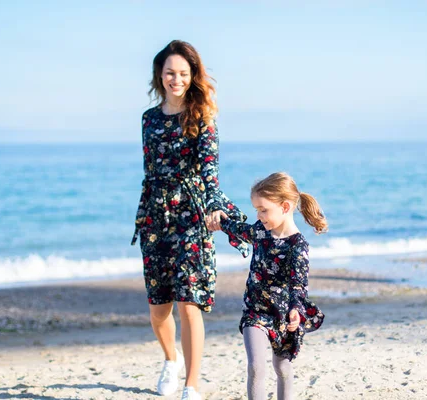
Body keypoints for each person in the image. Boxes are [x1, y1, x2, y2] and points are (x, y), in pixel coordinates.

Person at [131, 40, 245, 400]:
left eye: (183, 73)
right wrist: (146, 215)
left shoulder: (203, 117)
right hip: (155, 218)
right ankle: (170, 359)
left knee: (188, 301)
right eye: (170, 73)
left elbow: (210, 171)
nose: (176, 79)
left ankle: (191, 385)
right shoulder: (148, 120)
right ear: (160, 75)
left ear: (192, 75)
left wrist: (215, 206)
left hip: (192, 216)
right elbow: (151, 172)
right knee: (158, 308)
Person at [213, 172, 326, 400]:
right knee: (256, 367)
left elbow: (298, 284)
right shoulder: (261, 231)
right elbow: (239, 229)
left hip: (284, 316)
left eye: (263, 210)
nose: (259, 215)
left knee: (282, 369)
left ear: (285, 207)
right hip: (255, 311)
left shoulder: (297, 245)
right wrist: (220, 221)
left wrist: (296, 309)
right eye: (256, 209)